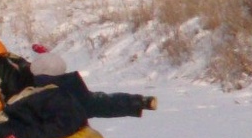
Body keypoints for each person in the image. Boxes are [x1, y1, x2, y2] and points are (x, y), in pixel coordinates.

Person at [29, 50, 157, 118]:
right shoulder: (73, 87)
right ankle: (141, 101)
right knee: (101, 102)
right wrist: (137, 102)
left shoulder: (43, 94)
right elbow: (106, 103)